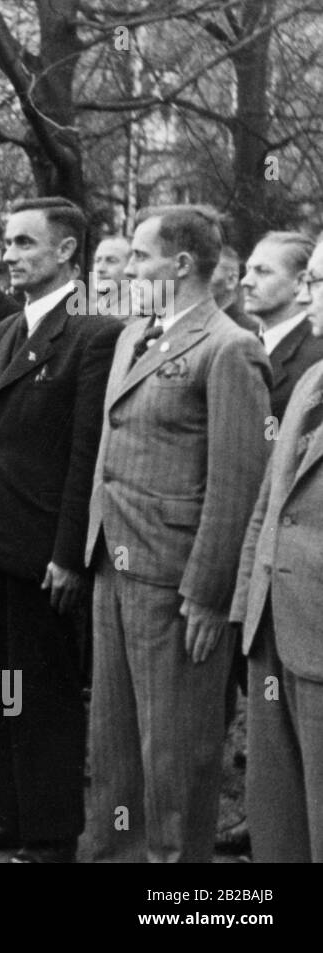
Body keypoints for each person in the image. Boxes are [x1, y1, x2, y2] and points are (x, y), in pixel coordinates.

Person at [83, 204, 271, 862]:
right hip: (114, 563)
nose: (127, 269)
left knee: (173, 764)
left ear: (181, 264)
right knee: (111, 752)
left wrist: (210, 594)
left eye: (138, 257)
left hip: (174, 586)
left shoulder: (229, 348)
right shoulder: (138, 333)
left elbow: (238, 482)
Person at [0, 197, 123, 863]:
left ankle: (49, 835)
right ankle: (2, 817)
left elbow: (86, 455)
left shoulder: (94, 333)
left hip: (43, 545)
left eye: (24, 243)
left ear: (67, 251)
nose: (10, 254)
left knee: (42, 691)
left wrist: (70, 554)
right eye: (9, 244)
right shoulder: (5, 328)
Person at [230, 231, 323, 862]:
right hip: (272, 628)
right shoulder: (314, 378)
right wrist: (245, 604)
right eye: (310, 281)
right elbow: (270, 504)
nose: (311, 298)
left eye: (318, 283)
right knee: (278, 818)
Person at [241, 232, 323, 422]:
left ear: (300, 282)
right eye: (248, 270)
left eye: (263, 271)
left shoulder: (316, 354)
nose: (246, 281)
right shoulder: (240, 343)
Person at [91, 235, 131, 319]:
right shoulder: (89, 312)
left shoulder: (139, 316)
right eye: (97, 261)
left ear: (129, 267)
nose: (100, 269)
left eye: (111, 261)